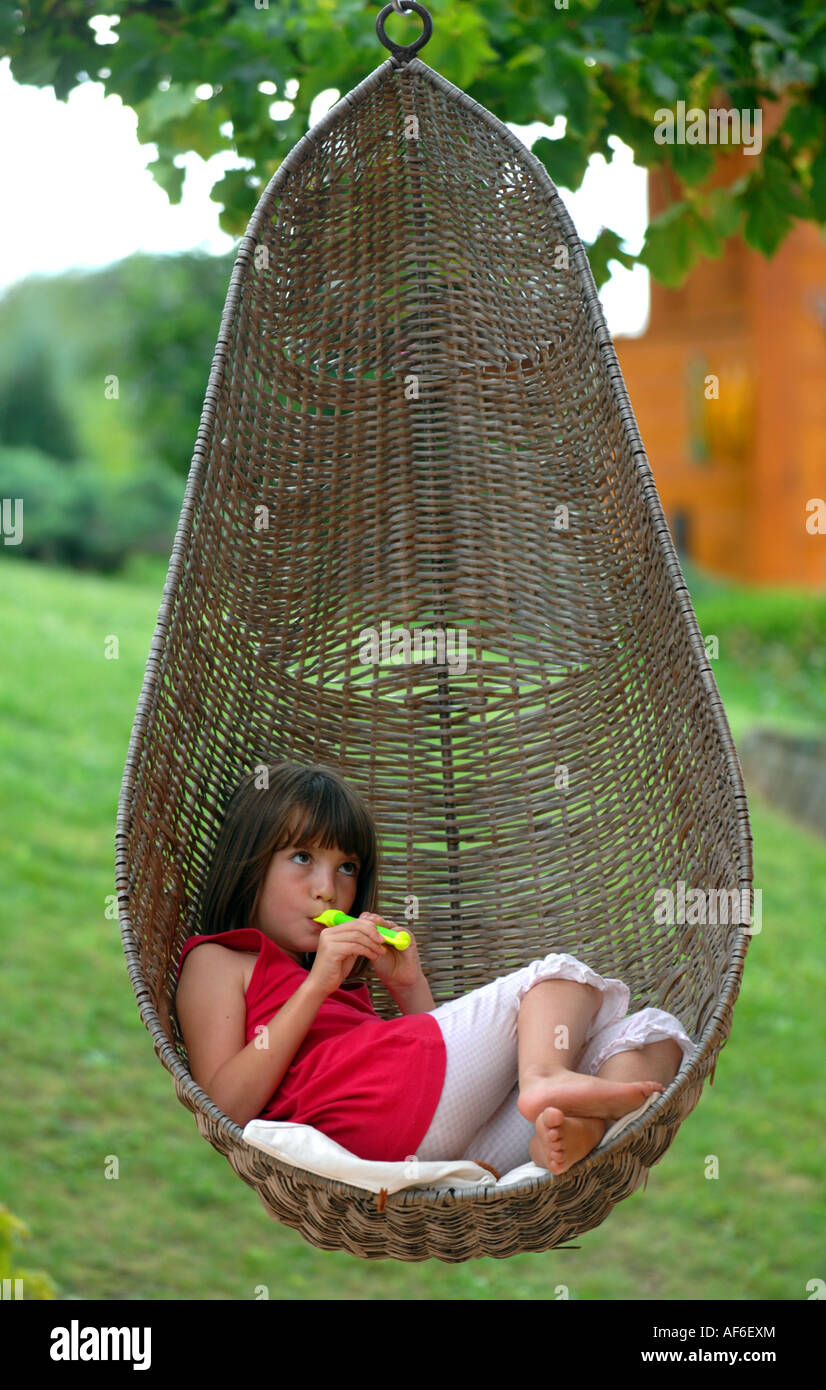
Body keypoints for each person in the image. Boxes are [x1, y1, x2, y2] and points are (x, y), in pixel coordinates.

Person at [175, 760, 694, 1178]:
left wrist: (409, 987)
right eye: (302, 858)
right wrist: (315, 986)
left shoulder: (344, 991)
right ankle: (545, 1077)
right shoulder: (219, 960)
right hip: (371, 1120)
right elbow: (223, 1107)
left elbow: (454, 1085)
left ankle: (574, 1129)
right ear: (249, 858)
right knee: (556, 975)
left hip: (437, 1144)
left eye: (347, 868)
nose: (328, 890)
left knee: (656, 1035)